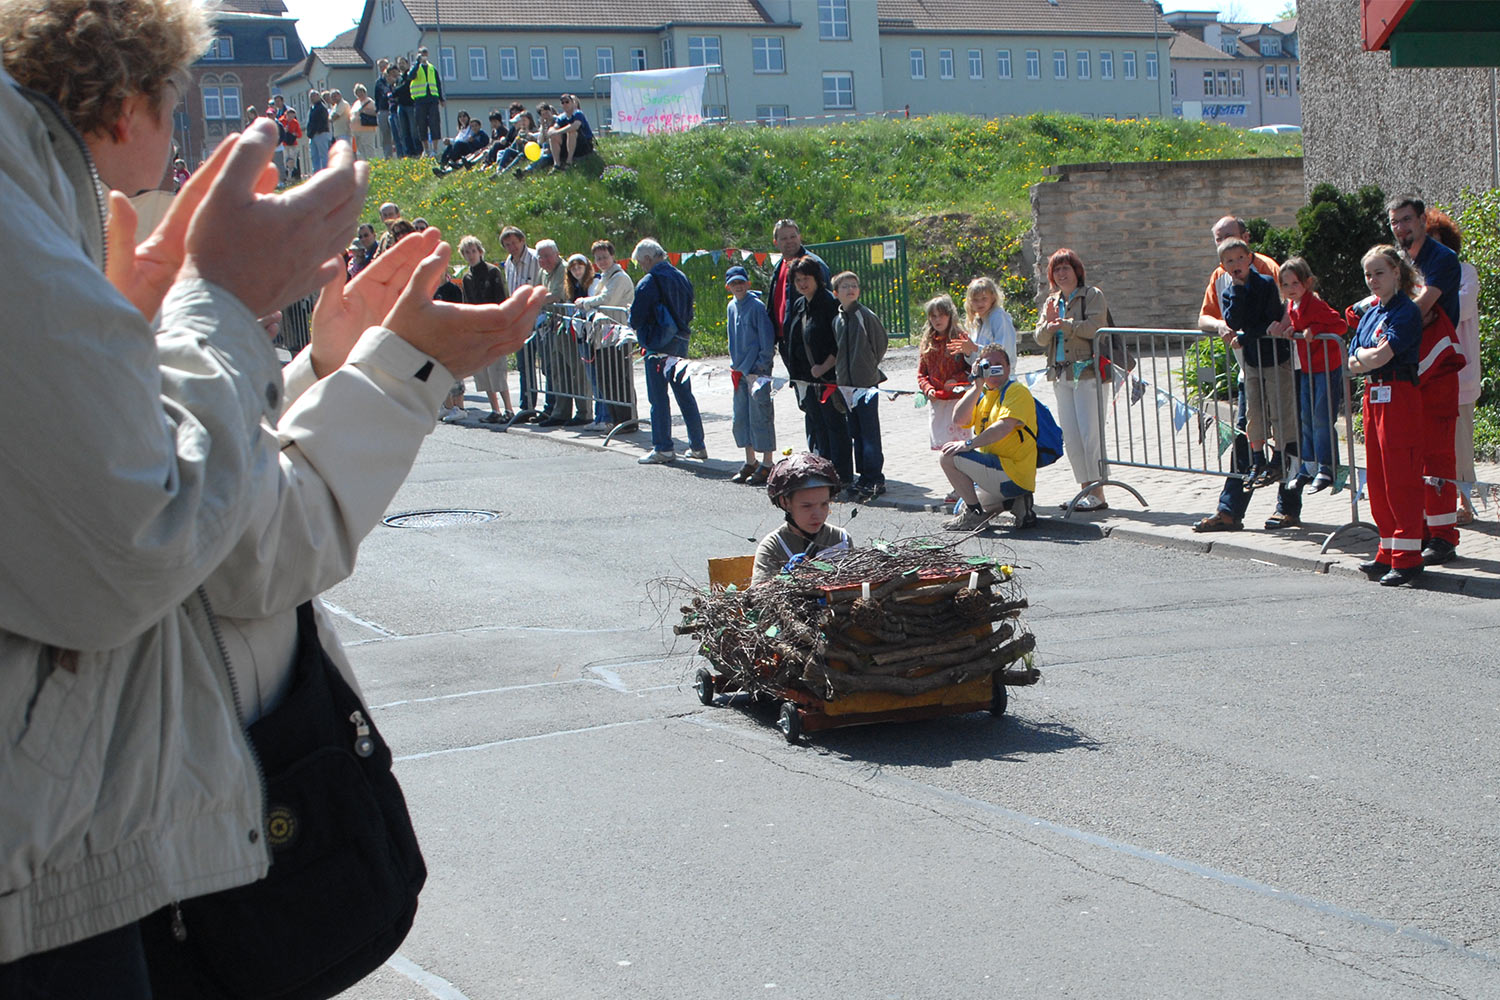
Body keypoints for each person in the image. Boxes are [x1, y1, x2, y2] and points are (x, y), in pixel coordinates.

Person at [0, 0, 549, 985]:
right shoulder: (23, 213)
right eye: (177, 106)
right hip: (46, 872)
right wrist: (358, 362)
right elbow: (202, 549)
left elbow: (176, 497)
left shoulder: (48, 212)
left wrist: (304, 364)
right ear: (131, 107)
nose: (180, 151)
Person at [1192, 215, 1289, 533]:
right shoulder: (1220, 275)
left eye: (1230, 237)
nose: (1225, 246)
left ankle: (1287, 508)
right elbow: (1205, 317)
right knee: (1247, 432)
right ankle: (1230, 511)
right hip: (1248, 364)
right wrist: (1220, 325)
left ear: (1246, 239)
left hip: (1281, 362)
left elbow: (1290, 306)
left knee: (1286, 433)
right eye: (1218, 240)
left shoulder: (1267, 269)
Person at [1389, 195, 1464, 566]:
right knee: (1411, 454)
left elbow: (1424, 306)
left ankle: (1444, 537)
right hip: (1410, 366)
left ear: (1421, 219)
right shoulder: (1400, 259)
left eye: (1406, 220)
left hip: (1438, 366)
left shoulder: (1442, 260)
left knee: (1437, 455)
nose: (1401, 228)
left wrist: (1386, 328)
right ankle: (1416, 530)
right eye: (1395, 223)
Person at [1348, 246, 1427, 586]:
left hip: (1400, 394)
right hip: (1373, 395)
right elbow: (1351, 361)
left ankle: (1408, 558)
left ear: (1396, 272)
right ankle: (1388, 549)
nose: (1373, 280)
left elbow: (1383, 355)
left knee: (1401, 477)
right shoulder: (1370, 314)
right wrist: (1367, 357)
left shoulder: (1406, 311)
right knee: (1378, 481)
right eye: (1368, 274)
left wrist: (1366, 357)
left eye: (1379, 272)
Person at [1220, 238, 1300, 514]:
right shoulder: (1231, 291)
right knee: (1253, 412)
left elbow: (1267, 318)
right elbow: (1234, 320)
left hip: (1275, 357)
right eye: (1229, 262)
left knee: (1280, 409)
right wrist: (1240, 294)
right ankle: (1258, 459)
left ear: (1249, 258)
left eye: (1239, 259)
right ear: (1224, 266)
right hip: (1252, 361)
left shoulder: (1266, 282)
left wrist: (1246, 334)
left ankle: (1278, 459)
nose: (1236, 265)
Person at [1034, 248, 1108, 511]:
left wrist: (1066, 325)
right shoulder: (1051, 301)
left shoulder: (1092, 296)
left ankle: (1097, 493)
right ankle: (1083, 490)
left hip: (1087, 373)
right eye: (1057, 269)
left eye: (1066, 268)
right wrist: (1049, 326)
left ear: (1077, 271)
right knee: (1072, 436)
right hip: (1060, 374)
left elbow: (1096, 329)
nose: (1061, 273)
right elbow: (1040, 338)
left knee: (1090, 434)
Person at [939, 346, 1039, 532]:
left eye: (998, 365)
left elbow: (1004, 426)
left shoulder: (1017, 391)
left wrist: (969, 444)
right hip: (995, 472)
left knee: (948, 457)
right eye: (987, 365)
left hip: (1013, 472)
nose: (993, 369)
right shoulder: (983, 395)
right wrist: (977, 385)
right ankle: (1017, 503)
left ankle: (975, 514)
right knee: (959, 510)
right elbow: (959, 419)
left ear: (1009, 368)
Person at [1425, 211, 1482, 524]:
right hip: (1429, 373)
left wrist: (1428, 304)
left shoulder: (1465, 272)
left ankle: (1465, 502)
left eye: (1436, 244)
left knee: (1461, 439)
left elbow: (1456, 311)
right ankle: (1436, 502)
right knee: (1435, 441)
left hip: (1460, 372)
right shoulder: (1420, 277)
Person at [1273, 257, 1347, 494]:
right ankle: (1309, 463)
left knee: (1321, 416)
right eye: (1285, 285)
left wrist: (1315, 330)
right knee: (1305, 415)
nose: (1290, 289)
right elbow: (1298, 326)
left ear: (1307, 283)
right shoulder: (1291, 306)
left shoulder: (1314, 304)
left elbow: (1340, 326)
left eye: (1295, 283)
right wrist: (1292, 331)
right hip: (1307, 368)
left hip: (1326, 366)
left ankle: (1326, 465)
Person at [631, 237, 706, 464]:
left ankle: (663, 447)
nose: (641, 267)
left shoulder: (649, 281)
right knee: (685, 394)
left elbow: (636, 318)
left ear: (647, 258)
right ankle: (698, 445)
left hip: (658, 345)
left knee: (658, 397)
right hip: (681, 339)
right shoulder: (681, 276)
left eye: (641, 263)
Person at [785, 257, 852, 484]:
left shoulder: (829, 304)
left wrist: (824, 366)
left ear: (817, 278)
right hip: (806, 380)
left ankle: (841, 476)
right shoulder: (799, 304)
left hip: (828, 379)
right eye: (798, 280)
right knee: (817, 426)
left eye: (806, 279)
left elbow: (840, 342)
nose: (802, 284)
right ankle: (823, 472)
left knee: (835, 428)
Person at [751, 453, 852, 586]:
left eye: (824, 504)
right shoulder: (773, 547)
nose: (818, 514)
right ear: (785, 502)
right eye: (807, 506)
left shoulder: (841, 539)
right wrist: (781, 580)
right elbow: (756, 596)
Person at [832, 270, 888, 500]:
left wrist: (867, 366)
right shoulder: (838, 319)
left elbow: (880, 343)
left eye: (854, 285)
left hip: (866, 385)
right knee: (855, 432)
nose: (850, 289)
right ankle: (862, 476)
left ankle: (874, 477)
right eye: (845, 286)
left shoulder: (865, 315)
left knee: (870, 432)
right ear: (836, 293)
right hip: (846, 386)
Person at [575, 238, 637, 430]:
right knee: (605, 379)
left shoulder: (619, 277)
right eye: (598, 258)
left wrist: (585, 302)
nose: (602, 261)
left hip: (618, 334)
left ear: (613, 256)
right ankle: (615, 419)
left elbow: (606, 299)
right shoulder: (604, 277)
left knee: (618, 378)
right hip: (603, 336)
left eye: (605, 257)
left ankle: (627, 420)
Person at [725, 265, 777, 485]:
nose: (738, 286)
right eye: (733, 283)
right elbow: (731, 337)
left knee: (760, 416)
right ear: (728, 286)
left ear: (748, 284)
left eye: (741, 282)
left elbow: (767, 339)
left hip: (757, 371)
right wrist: (734, 366)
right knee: (741, 417)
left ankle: (767, 461)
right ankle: (750, 459)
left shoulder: (756, 307)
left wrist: (762, 366)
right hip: (739, 371)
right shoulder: (731, 307)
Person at [460, 235, 513, 423]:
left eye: (473, 251)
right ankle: (495, 409)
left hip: (494, 327)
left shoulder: (493, 271)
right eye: (466, 252)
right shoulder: (466, 277)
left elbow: (501, 298)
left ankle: (508, 408)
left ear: (480, 252)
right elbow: (467, 303)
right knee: (483, 372)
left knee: (498, 370)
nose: (470, 255)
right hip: (477, 329)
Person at [536, 239, 587, 425]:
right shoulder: (543, 273)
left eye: (548, 256)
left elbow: (558, 295)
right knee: (557, 370)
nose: (545, 260)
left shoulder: (565, 269)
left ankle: (584, 412)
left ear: (557, 254)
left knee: (576, 369)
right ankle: (561, 412)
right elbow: (542, 294)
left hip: (569, 327)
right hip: (552, 327)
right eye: (541, 257)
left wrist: (535, 300)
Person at [768, 219, 829, 370]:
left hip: (809, 343)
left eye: (792, 236)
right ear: (776, 242)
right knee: (800, 390)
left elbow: (827, 306)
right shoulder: (779, 267)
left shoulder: (814, 265)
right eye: (784, 238)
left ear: (800, 237)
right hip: (786, 342)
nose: (789, 241)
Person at [916, 294, 974, 452]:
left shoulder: (960, 338)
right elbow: (921, 374)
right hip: (938, 403)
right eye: (933, 316)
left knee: (961, 447)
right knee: (944, 448)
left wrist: (956, 380)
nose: (937, 320)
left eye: (941, 315)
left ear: (950, 315)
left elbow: (972, 369)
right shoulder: (928, 342)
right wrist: (928, 389)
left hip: (958, 402)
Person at [500, 227, 542, 417]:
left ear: (522, 240)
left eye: (514, 243)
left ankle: (552, 406)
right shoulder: (508, 262)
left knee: (547, 365)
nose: (511, 247)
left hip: (538, 318)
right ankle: (527, 406)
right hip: (518, 321)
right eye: (507, 245)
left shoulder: (535, 258)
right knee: (524, 364)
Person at [963, 276, 1016, 362]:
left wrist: (975, 348)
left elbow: (1003, 352)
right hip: (982, 373)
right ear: (970, 302)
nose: (980, 303)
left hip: (1001, 373)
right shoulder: (976, 322)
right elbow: (973, 361)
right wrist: (967, 352)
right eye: (975, 300)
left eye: (984, 299)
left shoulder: (998, 316)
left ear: (993, 298)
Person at [406, 47, 444, 157]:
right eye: (421, 53)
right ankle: (426, 149)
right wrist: (418, 63)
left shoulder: (432, 68)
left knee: (434, 123)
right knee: (421, 124)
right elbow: (410, 77)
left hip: (432, 99)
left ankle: (435, 149)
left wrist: (441, 98)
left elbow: (438, 83)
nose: (424, 55)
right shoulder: (415, 67)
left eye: (425, 53)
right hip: (420, 100)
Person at [547, 93, 594, 170]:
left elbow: (575, 126)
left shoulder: (578, 113)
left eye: (567, 102)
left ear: (572, 103)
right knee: (553, 136)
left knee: (571, 132)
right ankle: (557, 164)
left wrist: (558, 132)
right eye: (563, 103)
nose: (565, 104)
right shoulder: (561, 117)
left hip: (584, 145)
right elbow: (554, 128)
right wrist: (552, 131)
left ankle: (569, 161)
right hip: (568, 145)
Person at [433, 109, 487, 174]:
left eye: (464, 116)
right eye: (460, 117)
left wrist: (452, 141)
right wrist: (449, 141)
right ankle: (443, 163)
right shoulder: (462, 129)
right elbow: (457, 139)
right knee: (450, 146)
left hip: (467, 148)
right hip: (461, 147)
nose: (462, 118)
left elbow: (465, 139)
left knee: (458, 144)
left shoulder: (471, 128)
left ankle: (451, 161)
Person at [391, 56, 415, 157]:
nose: (401, 65)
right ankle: (408, 153)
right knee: (404, 131)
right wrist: (396, 91)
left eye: (403, 63)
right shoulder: (399, 78)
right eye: (399, 63)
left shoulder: (409, 75)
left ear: (407, 64)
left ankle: (416, 151)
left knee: (413, 130)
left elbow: (405, 88)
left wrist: (396, 91)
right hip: (401, 106)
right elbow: (395, 91)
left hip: (410, 105)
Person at [349, 82, 378, 160]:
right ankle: (366, 164)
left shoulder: (370, 102)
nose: (360, 95)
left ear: (365, 92)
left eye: (361, 93)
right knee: (361, 149)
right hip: (356, 131)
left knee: (368, 148)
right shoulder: (356, 103)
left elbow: (375, 112)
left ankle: (372, 164)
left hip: (367, 129)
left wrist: (364, 111)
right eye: (358, 93)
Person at [305, 87, 331, 172]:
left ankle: (326, 172)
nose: (312, 98)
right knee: (314, 156)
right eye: (311, 96)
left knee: (323, 155)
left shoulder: (321, 107)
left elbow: (322, 121)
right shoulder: (312, 108)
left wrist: (316, 130)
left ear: (318, 96)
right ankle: (316, 172)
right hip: (313, 135)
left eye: (314, 96)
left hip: (321, 133)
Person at [373, 57, 394, 157]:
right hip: (383, 110)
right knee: (385, 135)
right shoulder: (379, 81)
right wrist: (377, 110)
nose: (382, 68)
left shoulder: (393, 79)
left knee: (396, 133)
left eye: (384, 66)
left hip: (393, 109)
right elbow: (377, 97)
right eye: (380, 66)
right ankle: (388, 157)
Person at [278, 104, 302, 182]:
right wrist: (284, 130)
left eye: (293, 116)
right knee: (285, 159)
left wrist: (295, 134)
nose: (291, 118)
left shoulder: (295, 122)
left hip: (293, 144)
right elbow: (279, 132)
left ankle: (293, 176)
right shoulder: (281, 121)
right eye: (290, 116)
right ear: (286, 115)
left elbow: (300, 134)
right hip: (285, 144)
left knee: (293, 160)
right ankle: (286, 177)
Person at [327, 88, 352, 153]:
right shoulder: (335, 106)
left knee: (346, 150)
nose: (333, 98)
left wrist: (331, 118)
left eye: (335, 96)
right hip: (337, 133)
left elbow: (335, 116)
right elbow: (330, 117)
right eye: (332, 97)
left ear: (339, 95)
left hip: (344, 132)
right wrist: (331, 118)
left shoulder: (343, 104)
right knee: (340, 151)